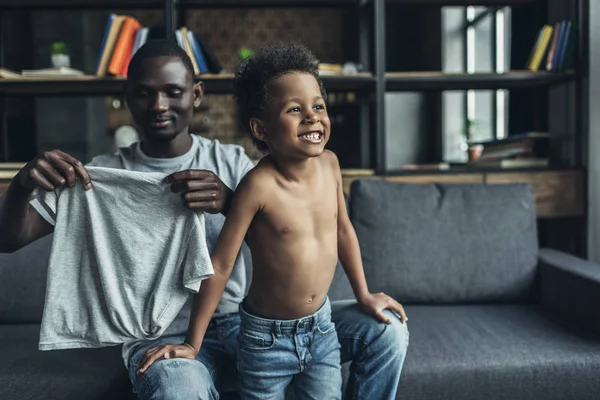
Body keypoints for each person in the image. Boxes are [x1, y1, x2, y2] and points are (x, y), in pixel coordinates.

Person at [0, 39, 409, 399]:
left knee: (388, 330)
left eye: (172, 92)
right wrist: (21, 186)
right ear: (127, 98)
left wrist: (230, 201)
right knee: (180, 389)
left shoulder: (233, 163)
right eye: (144, 94)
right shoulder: (99, 177)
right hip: (167, 336)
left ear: (196, 95)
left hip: (248, 323)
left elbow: (288, 219)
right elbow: (9, 240)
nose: (158, 105)